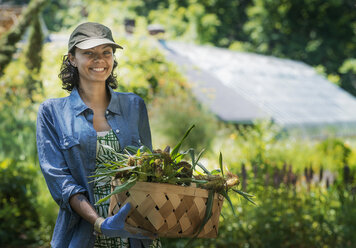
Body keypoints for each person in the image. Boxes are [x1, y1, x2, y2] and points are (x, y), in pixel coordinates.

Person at [36, 22, 160, 248]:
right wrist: (99, 222)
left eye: (106, 52)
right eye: (89, 53)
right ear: (72, 58)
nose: (100, 60)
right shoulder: (52, 113)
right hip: (82, 236)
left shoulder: (134, 106)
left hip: (135, 235)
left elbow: (148, 171)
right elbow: (60, 181)